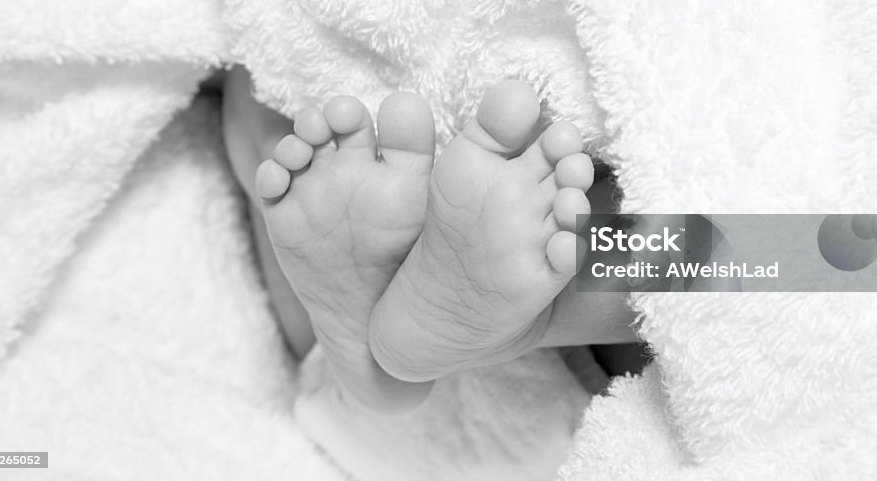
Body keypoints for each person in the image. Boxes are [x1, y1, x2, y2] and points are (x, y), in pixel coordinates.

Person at [222, 67, 641, 412]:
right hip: (583, 365)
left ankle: (393, 362)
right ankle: (519, 315)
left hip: (351, 386)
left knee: (248, 99)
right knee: (696, 243)